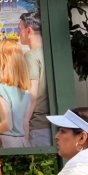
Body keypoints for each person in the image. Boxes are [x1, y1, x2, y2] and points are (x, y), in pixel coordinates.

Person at [0, 41, 31, 148]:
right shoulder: (25, 91)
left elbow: (7, 125)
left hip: (4, 142)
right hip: (23, 142)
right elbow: (25, 123)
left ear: (3, 60)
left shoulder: (1, 89)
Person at [19, 11, 51, 146]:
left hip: (38, 126)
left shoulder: (30, 56)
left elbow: (32, 94)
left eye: (19, 29)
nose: (18, 33)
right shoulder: (50, 53)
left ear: (29, 30)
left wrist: (24, 123)